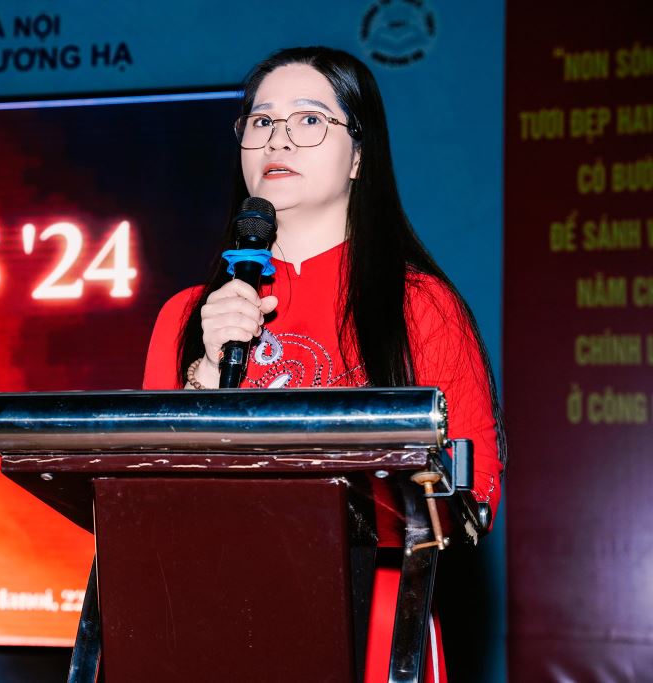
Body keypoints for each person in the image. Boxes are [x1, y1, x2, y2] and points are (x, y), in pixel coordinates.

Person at [142, 46, 505, 682]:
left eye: (309, 119)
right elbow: (147, 505)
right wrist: (208, 375)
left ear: (360, 155)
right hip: (215, 624)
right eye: (261, 120)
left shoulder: (421, 306)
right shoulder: (187, 317)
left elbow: (477, 494)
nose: (277, 138)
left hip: (374, 625)